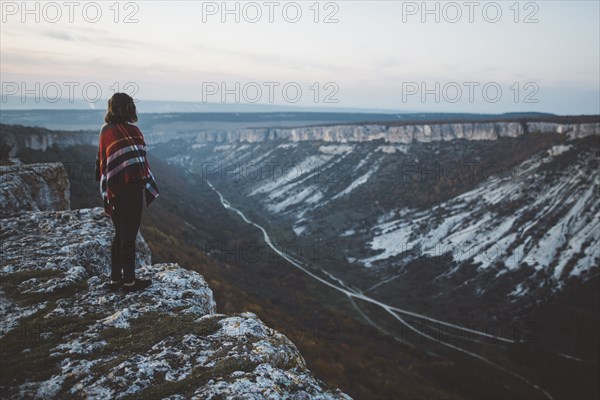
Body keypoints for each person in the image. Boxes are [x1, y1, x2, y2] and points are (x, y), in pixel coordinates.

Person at [94, 93, 159, 294]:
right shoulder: (134, 130)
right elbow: (140, 160)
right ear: (129, 109)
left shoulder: (106, 130)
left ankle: (115, 280)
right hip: (132, 189)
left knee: (119, 234)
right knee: (129, 236)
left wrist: (106, 183)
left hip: (115, 189)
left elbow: (102, 161)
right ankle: (129, 283)